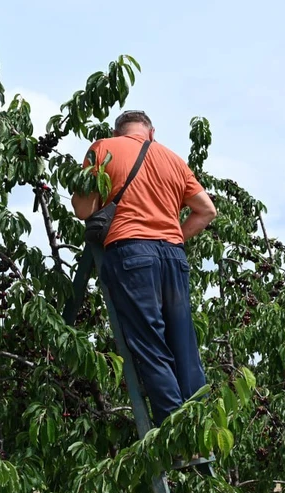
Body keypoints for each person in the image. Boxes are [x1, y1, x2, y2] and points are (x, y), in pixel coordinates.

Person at [71, 110, 217, 426]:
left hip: (131, 251)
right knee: (184, 343)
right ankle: (199, 429)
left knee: (151, 345)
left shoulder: (103, 148)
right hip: (173, 255)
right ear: (151, 131)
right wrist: (175, 233)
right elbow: (206, 211)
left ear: (118, 131)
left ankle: (176, 434)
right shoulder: (174, 160)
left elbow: (84, 210)